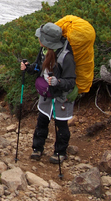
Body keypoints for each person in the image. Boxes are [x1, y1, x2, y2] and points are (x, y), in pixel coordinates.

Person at [21, 22, 76, 164]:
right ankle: (37, 148)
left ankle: (60, 152)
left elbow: (70, 81)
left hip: (61, 96)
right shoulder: (44, 51)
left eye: (41, 37)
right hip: (47, 94)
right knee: (42, 121)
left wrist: (58, 82)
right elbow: (38, 68)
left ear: (48, 41)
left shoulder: (66, 57)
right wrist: (28, 68)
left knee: (61, 125)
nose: (38, 39)